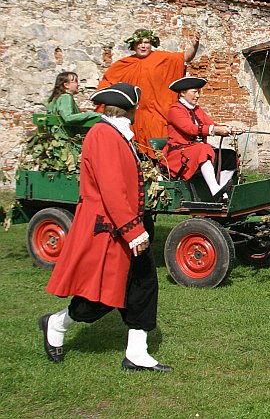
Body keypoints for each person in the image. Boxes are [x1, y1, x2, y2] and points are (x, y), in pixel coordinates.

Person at [40, 82, 172, 372]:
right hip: (110, 227)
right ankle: (56, 324)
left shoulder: (116, 133)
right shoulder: (103, 134)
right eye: (137, 107)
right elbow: (111, 188)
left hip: (127, 223)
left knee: (143, 285)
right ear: (131, 108)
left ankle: (137, 353)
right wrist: (132, 230)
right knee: (99, 296)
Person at [97, 28, 200, 159]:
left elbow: (185, 57)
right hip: (133, 116)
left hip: (157, 114)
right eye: (139, 43)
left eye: (146, 42)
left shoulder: (162, 58)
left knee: (159, 152)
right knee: (133, 152)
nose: (143, 45)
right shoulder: (123, 64)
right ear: (133, 45)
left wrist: (195, 46)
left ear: (152, 44)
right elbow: (107, 86)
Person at [161, 76, 241, 200]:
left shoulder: (197, 110)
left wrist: (229, 129)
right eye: (194, 92)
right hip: (179, 154)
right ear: (182, 93)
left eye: (199, 92)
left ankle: (222, 192)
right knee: (203, 149)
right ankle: (214, 190)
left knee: (229, 156)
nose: (198, 95)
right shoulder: (175, 110)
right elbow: (189, 129)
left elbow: (211, 125)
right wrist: (215, 130)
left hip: (196, 150)